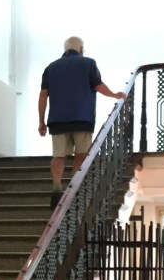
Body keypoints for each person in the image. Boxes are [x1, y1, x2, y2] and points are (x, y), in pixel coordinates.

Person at [38, 36, 126, 209]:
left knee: (58, 155)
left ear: (65, 49)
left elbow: (43, 95)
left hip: (57, 119)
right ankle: (73, 189)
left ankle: (56, 187)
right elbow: (98, 86)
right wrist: (115, 95)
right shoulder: (88, 63)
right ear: (80, 49)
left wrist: (41, 121)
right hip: (82, 117)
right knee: (81, 154)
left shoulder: (51, 67)